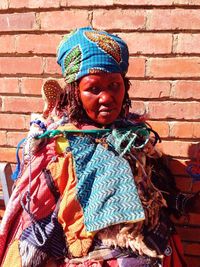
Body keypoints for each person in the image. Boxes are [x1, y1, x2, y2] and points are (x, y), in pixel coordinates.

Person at [0, 27, 199, 267]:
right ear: (75, 93)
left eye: (114, 85)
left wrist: (183, 202)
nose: (106, 97)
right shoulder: (59, 147)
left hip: (152, 253)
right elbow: (38, 222)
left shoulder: (135, 137)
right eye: (94, 89)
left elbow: (159, 195)